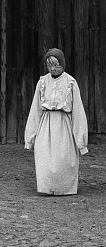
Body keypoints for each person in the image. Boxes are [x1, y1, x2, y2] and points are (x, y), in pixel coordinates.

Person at [24, 48, 88, 195]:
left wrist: (81, 141)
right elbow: (35, 110)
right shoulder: (42, 83)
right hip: (46, 126)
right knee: (45, 158)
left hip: (64, 125)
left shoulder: (70, 82)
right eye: (50, 65)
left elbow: (78, 112)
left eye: (56, 65)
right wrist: (30, 137)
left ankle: (64, 188)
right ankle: (46, 187)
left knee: (63, 157)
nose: (53, 68)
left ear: (62, 64)